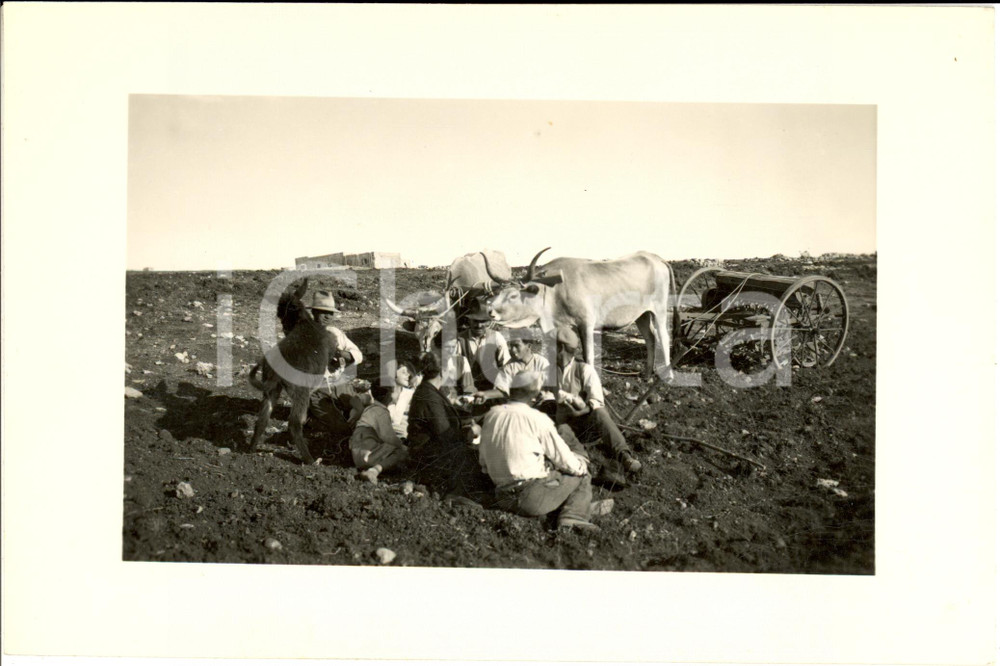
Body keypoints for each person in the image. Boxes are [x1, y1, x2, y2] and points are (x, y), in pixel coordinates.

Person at [478, 370, 600, 532]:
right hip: (530, 498)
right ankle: (574, 516)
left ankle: (561, 505)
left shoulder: (492, 414)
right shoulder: (537, 419)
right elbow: (564, 460)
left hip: (501, 497)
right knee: (582, 474)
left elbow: (483, 462)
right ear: (535, 396)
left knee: (550, 466)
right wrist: (581, 465)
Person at [553, 326, 642, 490]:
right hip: (564, 426)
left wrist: (578, 411)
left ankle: (624, 456)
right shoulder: (550, 371)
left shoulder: (584, 370)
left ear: (561, 348)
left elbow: (596, 401)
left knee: (600, 413)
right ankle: (582, 460)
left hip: (586, 425)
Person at [408, 352, 487, 500]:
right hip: (430, 457)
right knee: (480, 460)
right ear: (442, 372)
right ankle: (455, 496)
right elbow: (445, 434)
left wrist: (465, 424)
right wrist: (470, 432)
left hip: (432, 451)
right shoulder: (429, 396)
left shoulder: (430, 390)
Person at [306, 291, 366, 441]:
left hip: (340, 385)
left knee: (364, 414)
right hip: (317, 389)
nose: (327, 317)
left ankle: (334, 412)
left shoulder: (335, 332)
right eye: (323, 312)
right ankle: (311, 418)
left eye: (330, 313)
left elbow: (358, 355)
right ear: (314, 312)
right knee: (342, 429)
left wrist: (342, 354)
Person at [350, 384, 409, 484]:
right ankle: (373, 471)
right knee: (401, 453)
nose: (399, 394)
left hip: (359, 451)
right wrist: (404, 447)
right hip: (367, 452)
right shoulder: (381, 412)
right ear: (388, 395)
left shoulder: (373, 408)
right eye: (396, 391)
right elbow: (389, 438)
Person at [473, 335, 553, 404]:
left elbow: (548, 387)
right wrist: (485, 394)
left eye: (517, 346)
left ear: (529, 346)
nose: (512, 350)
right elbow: (502, 389)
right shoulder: (509, 366)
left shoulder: (542, 362)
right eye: (511, 346)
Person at [457, 310, 510, 390]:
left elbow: (505, 364)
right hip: (467, 387)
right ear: (469, 321)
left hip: (492, 386)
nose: (479, 325)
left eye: (483, 321)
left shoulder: (497, 337)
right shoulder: (460, 339)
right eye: (475, 321)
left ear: (488, 322)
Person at [386, 359, 420, 439]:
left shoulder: (411, 394)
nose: (408, 375)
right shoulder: (383, 394)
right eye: (404, 372)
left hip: (405, 437)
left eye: (408, 372)